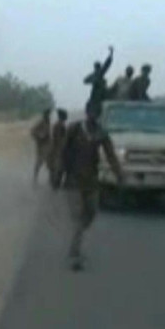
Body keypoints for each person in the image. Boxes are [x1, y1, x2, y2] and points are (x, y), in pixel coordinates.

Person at [61, 105, 124, 271]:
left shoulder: (101, 133)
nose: (93, 116)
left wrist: (119, 174)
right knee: (78, 217)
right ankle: (75, 255)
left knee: (91, 213)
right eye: (91, 112)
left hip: (91, 181)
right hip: (73, 181)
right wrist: (58, 175)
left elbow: (110, 155)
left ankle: (78, 238)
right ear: (87, 112)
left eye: (96, 113)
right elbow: (62, 151)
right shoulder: (74, 129)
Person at [84, 46, 114, 115]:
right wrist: (94, 81)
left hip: (100, 94)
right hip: (96, 95)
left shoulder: (99, 72)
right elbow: (85, 80)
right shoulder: (95, 74)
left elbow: (107, 64)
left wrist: (111, 54)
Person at [48, 109, 69, 189]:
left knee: (58, 168)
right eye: (65, 115)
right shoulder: (59, 125)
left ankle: (55, 184)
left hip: (57, 149)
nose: (67, 117)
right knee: (59, 168)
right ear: (62, 116)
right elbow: (59, 138)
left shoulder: (59, 125)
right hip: (58, 150)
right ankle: (55, 185)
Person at [30, 109, 52, 184]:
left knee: (49, 163)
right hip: (42, 146)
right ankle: (35, 178)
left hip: (48, 145)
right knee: (39, 162)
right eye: (47, 114)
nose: (48, 115)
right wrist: (40, 136)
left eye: (49, 114)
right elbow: (32, 131)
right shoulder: (41, 122)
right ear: (44, 115)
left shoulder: (48, 122)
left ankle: (50, 179)